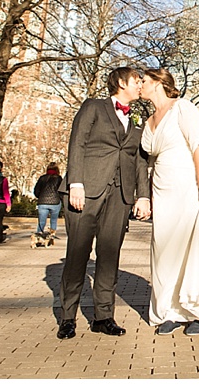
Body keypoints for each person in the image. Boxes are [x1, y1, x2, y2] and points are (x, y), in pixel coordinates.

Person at [56, 67, 150, 340]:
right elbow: (78, 144)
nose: (140, 85)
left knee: (109, 258)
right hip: (85, 192)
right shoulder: (93, 107)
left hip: (119, 197)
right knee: (77, 255)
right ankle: (67, 318)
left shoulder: (136, 122)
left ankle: (103, 317)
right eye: (137, 81)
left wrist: (142, 195)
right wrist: (76, 184)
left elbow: (140, 162)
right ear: (121, 83)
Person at [136, 67, 199, 336]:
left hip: (189, 185)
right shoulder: (149, 120)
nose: (139, 85)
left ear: (158, 82)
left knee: (192, 247)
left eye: (143, 80)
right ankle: (170, 311)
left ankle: (198, 314)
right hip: (163, 188)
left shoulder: (184, 108)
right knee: (164, 249)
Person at [33, 162, 63, 236]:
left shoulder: (42, 178)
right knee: (53, 221)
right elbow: (61, 191)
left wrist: (40, 197)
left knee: (41, 221)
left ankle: (38, 235)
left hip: (43, 202)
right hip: (55, 202)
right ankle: (52, 236)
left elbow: (36, 190)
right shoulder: (59, 178)